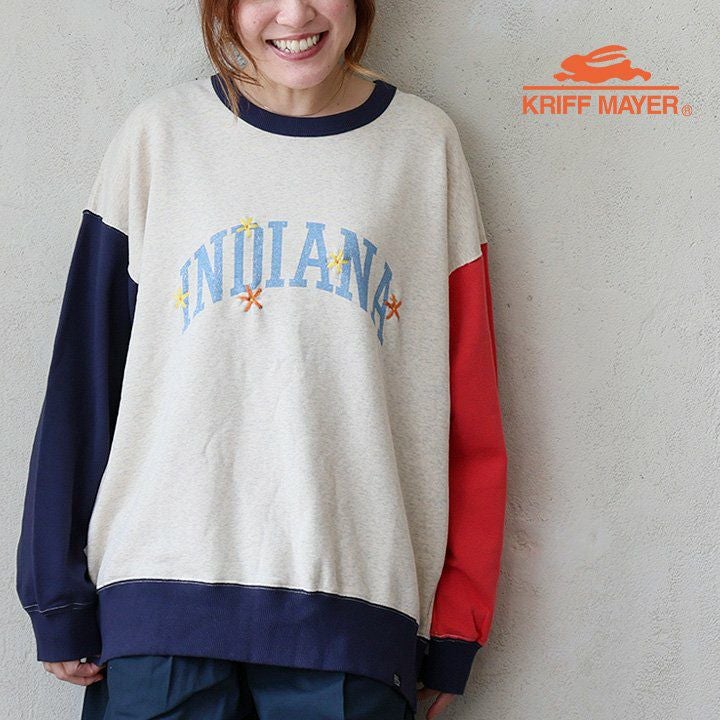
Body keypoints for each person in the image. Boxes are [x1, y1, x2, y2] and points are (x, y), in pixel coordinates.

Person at [15, 1, 508, 718]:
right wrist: (55, 594)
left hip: (351, 607)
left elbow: (471, 403)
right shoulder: (160, 137)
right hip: (160, 600)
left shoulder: (423, 146)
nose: (295, 13)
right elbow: (84, 376)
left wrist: (458, 622)